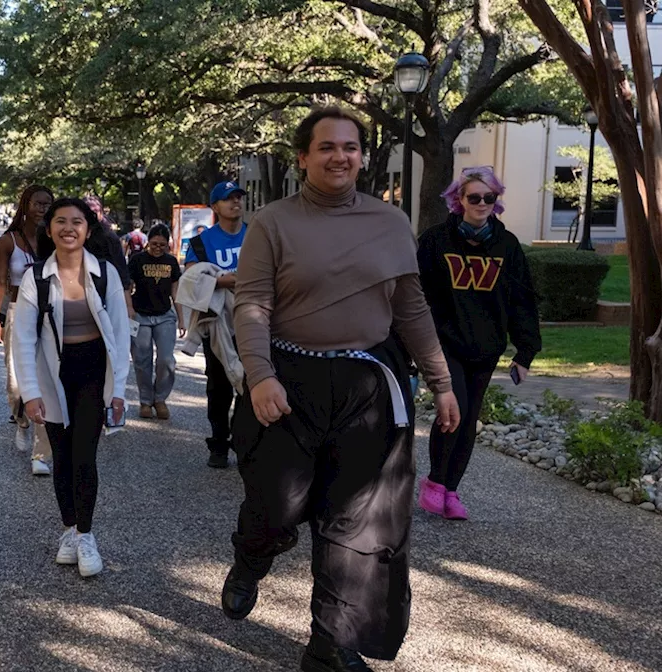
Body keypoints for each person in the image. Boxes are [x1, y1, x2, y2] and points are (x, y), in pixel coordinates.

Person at [221, 107, 460, 671]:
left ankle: (331, 644)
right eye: (326, 147)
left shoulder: (390, 222)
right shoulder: (272, 222)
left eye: (350, 147)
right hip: (287, 383)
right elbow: (251, 305)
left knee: (355, 522)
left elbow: (411, 308)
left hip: (367, 388)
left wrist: (441, 383)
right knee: (276, 507)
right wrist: (260, 375)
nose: (340, 157)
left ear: (362, 156)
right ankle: (252, 556)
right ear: (303, 157)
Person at [12, 198, 130, 578]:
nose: (68, 228)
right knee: (61, 456)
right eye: (60, 221)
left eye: (76, 222)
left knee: (85, 455)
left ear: (88, 230)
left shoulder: (106, 274)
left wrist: (119, 390)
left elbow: (120, 335)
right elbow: (23, 340)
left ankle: (86, 534)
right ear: (49, 230)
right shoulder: (36, 279)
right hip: (52, 376)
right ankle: (68, 530)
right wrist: (30, 392)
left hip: (94, 374)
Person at [417, 166, 541, 520]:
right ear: (459, 200)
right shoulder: (435, 241)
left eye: (490, 197)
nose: (483, 203)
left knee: (469, 417)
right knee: (452, 411)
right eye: (475, 197)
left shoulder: (507, 246)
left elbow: (522, 301)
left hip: (485, 348)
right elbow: (413, 293)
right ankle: (435, 482)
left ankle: (451, 489)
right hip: (446, 343)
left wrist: (525, 352)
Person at [0, 185, 55, 476]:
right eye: (38, 204)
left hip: (51, 315)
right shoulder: (9, 240)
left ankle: (41, 454)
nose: (42, 209)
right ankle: (22, 416)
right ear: (25, 205)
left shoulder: (54, 240)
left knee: (46, 380)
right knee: (17, 380)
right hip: (17, 311)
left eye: (47, 204)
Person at [185, 179, 249, 468]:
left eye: (239, 197)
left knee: (253, 381)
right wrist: (238, 279)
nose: (235, 202)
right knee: (220, 386)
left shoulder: (257, 235)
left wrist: (221, 279)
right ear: (215, 207)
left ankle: (245, 438)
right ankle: (219, 442)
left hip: (255, 321)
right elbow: (192, 278)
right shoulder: (201, 242)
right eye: (228, 199)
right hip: (218, 324)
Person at [127, 223, 184, 419]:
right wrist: (128, 310)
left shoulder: (172, 262)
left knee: (166, 360)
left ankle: (160, 399)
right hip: (140, 315)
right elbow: (128, 286)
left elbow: (176, 292)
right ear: (147, 242)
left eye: (162, 245)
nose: (158, 248)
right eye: (154, 244)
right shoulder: (136, 260)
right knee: (142, 360)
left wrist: (182, 319)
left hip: (165, 316)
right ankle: (145, 401)